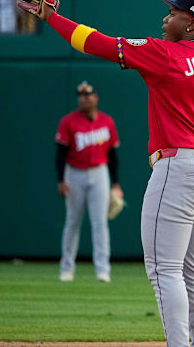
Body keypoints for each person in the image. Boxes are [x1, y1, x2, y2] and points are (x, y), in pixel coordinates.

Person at [19, 0, 194, 347]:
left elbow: (97, 42)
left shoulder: (167, 54)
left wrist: (52, 16)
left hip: (180, 166)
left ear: (191, 24)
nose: (165, 17)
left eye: (173, 12)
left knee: (164, 270)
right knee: (192, 271)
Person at [55, 81, 121, 283]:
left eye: (88, 95)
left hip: (100, 172)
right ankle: (67, 268)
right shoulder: (68, 121)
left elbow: (113, 154)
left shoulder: (107, 121)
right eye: (81, 95)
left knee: (100, 222)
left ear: (96, 98)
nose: (84, 98)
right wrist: (61, 180)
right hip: (74, 173)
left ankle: (103, 269)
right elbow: (60, 153)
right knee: (72, 221)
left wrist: (116, 183)